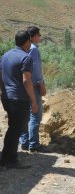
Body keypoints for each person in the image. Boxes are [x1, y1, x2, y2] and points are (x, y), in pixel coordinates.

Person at [0, 30, 38, 169]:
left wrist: (4, 92)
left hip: (6, 98)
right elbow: (26, 81)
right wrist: (33, 101)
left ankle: (8, 158)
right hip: (19, 99)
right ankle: (8, 159)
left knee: (13, 128)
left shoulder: (5, 56)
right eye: (30, 42)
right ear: (27, 42)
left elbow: (1, 76)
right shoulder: (26, 58)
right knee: (16, 129)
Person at [20, 26, 46, 152]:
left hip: (23, 86)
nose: (40, 38)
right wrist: (41, 84)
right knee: (35, 114)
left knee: (25, 115)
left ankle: (24, 142)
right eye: (39, 35)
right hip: (33, 85)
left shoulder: (23, 48)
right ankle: (34, 144)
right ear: (34, 36)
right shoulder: (34, 49)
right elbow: (35, 70)